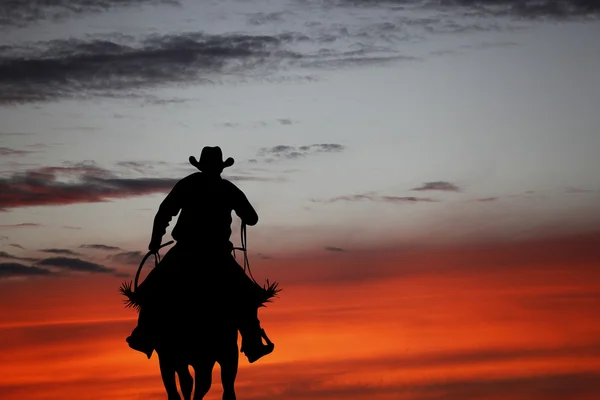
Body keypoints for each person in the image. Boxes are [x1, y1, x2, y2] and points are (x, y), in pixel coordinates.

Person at [125, 146, 275, 363]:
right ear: (220, 167)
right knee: (246, 296)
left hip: (185, 252)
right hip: (217, 255)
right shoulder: (228, 189)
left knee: (153, 288)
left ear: (201, 166)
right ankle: (252, 344)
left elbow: (164, 211)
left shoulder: (188, 184)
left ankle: (143, 336)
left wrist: (156, 240)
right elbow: (252, 218)